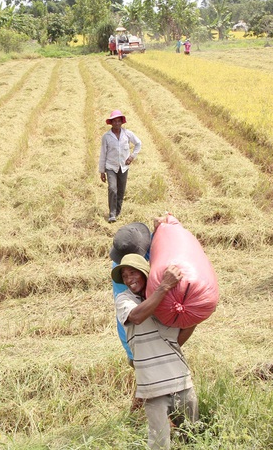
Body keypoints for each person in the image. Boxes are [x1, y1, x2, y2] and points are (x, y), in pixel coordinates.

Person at [113, 253, 198, 450]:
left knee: (192, 437)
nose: (129, 279)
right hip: (153, 387)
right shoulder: (124, 300)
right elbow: (136, 316)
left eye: (133, 273)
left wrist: (196, 313)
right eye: (125, 276)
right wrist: (163, 287)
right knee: (160, 444)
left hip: (181, 380)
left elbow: (175, 341)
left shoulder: (167, 299)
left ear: (144, 273)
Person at [98, 110, 142, 223]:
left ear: (122, 122)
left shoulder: (127, 134)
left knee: (121, 190)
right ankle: (112, 213)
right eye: (114, 121)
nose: (117, 123)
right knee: (112, 188)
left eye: (119, 121)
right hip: (110, 167)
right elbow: (103, 153)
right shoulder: (106, 137)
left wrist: (132, 157)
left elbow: (138, 143)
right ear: (111, 123)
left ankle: (117, 211)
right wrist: (102, 171)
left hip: (123, 167)